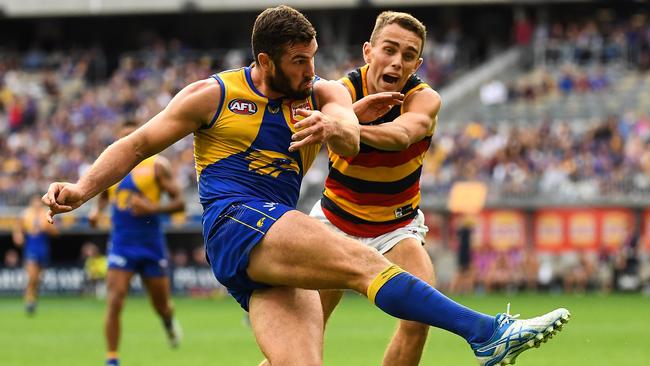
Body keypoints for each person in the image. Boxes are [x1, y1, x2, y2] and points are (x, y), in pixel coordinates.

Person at [43, 6, 570, 366]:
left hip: (273, 241)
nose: (313, 70)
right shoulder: (212, 95)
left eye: (314, 56)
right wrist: (83, 188)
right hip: (235, 223)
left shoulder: (319, 92)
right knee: (369, 267)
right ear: (267, 61)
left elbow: (342, 126)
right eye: (300, 61)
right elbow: (137, 144)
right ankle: (488, 334)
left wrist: (343, 123)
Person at [306, 11, 437, 366]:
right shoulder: (341, 92)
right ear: (368, 51)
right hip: (335, 223)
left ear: (417, 64)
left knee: (420, 313)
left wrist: (342, 129)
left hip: (396, 228)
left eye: (408, 56)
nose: (397, 62)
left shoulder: (424, 99)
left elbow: (401, 136)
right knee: (303, 334)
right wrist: (339, 121)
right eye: (389, 50)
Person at [87, 121, 186, 366]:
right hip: (122, 243)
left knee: (161, 305)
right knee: (115, 298)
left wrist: (153, 208)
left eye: (130, 138)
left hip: (151, 244)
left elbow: (180, 203)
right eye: (121, 140)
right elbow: (102, 196)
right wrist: (96, 212)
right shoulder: (111, 168)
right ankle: (112, 359)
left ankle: (168, 321)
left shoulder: (156, 166)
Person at [12, 194, 57, 315]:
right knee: (32, 276)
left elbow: (55, 232)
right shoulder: (26, 214)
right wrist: (19, 237)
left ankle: (33, 296)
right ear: (32, 202)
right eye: (35, 201)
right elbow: (18, 230)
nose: (37, 204)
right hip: (31, 246)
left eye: (38, 202)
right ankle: (29, 301)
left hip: (43, 246)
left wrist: (48, 228)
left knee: (38, 278)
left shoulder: (46, 214)